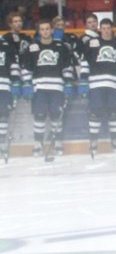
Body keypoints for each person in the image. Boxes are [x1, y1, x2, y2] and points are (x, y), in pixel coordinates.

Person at [21, 18, 75, 157]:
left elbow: (67, 67)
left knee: (56, 116)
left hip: (57, 87)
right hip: (39, 87)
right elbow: (26, 68)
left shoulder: (61, 46)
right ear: (39, 31)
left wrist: (68, 84)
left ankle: (57, 142)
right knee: (39, 116)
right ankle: (38, 143)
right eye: (42, 29)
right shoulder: (32, 47)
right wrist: (27, 85)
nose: (45, 32)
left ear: (52, 30)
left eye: (47, 29)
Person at [77, 17, 116, 156]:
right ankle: (93, 142)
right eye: (103, 28)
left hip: (113, 84)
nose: (106, 31)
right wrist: (84, 82)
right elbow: (85, 62)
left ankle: (115, 142)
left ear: (112, 29)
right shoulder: (93, 43)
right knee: (95, 113)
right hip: (95, 84)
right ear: (100, 29)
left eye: (108, 28)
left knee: (114, 113)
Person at [0, 13, 20, 161]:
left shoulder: (6, 45)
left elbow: (13, 66)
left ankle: (1, 144)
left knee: (3, 116)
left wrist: (16, 83)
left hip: (3, 86)